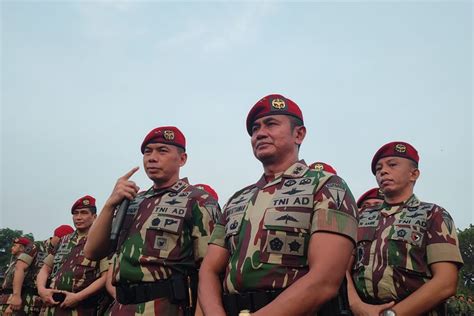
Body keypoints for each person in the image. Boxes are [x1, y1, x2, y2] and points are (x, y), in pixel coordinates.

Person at [198, 94, 359, 316]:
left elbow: (325, 279)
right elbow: (209, 268)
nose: (260, 133)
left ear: (299, 134)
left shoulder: (326, 186)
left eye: (271, 124)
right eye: (255, 128)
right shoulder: (238, 199)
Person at [83, 126, 220, 315]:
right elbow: (92, 251)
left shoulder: (198, 200)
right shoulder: (132, 201)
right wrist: (110, 204)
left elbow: (209, 269)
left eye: (162, 150)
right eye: (148, 152)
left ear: (182, 159)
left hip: (165, 307)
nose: (152, 157)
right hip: (120, 307)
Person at [348, 141, 464, 316]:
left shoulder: (433, 214)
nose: (383, 171)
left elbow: (446, 282)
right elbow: (342, 268)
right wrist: (357, 306)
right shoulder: (361, 217)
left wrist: (391, 314)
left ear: (414, 174)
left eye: (392, 165)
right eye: (378, 169)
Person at [37, 195, 108, 316]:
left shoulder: (101, 241)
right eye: (75, 214)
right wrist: (41, 290)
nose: (78, 217)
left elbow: (105, 277)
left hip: (81, 308)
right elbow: (45, 268)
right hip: (51, 306)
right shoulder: (63, 240)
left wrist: (78, 297)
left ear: (94, 217)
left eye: (84, 213)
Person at [9, 225, 74, 315]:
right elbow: (19, 268)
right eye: (61, 240)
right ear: (55, 236)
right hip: (28, 296)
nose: (63, 242)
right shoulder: (37, 246)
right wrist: (16, 296)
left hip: (47, 299)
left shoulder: (64, 250)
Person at [0, 237, 33, 316]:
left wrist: (11, 306)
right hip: (5, 299)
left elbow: (22, 285)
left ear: (22, 248)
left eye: (15, 246)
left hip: (12, 301)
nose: (12, 248)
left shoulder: (23, 265)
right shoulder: (14, 262)